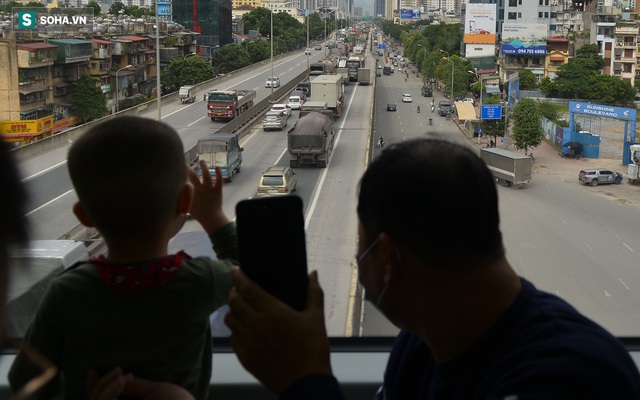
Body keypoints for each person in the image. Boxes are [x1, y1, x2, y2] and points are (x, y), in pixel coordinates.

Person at [225, 138, 640, 399]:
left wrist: (305, 382)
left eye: (359, 250)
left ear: (386, 259)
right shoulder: (424, 344)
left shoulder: (565, 380)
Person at [9, 116, 239, 400]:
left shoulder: (67, 292)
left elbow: (24, 380)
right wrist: (212, 216)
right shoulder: (197, 281)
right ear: (184, 202)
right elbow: (247, 276)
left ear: (85, 217)